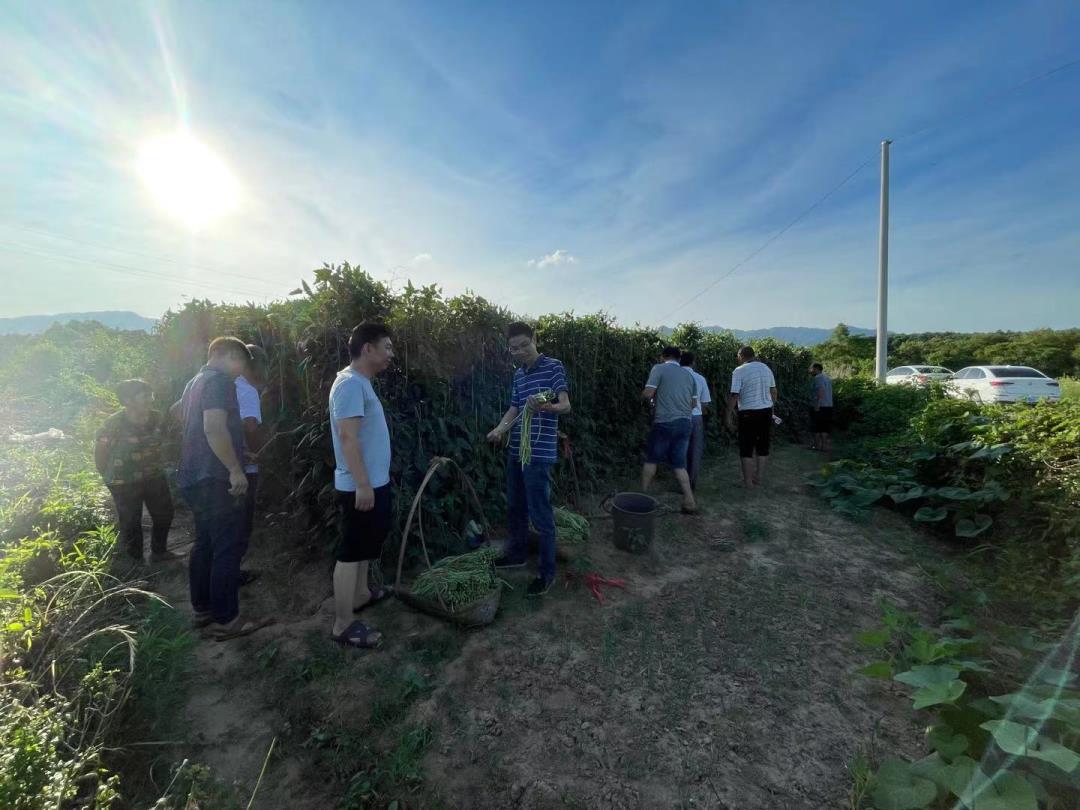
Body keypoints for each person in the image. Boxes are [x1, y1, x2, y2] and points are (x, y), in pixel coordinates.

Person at [177, 336, 265, 640]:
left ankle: (203, 608)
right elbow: (213, 427)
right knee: (228, 545)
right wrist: (234, 468)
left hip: (193, 475)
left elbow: (185, 419)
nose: (241, 371)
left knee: (205, 543)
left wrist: (235, 450)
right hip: (215, 478)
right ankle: (227, 619)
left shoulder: (195, 382)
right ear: (228, 357)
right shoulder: (220, 382)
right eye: (240, 363)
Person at [486, 322, 571, 598]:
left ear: (535, 339)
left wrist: (546, 406)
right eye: (514, 348)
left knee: (540, 512)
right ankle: (518, 554)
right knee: (515, 505)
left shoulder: (553, 366)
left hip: (539, 453)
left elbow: (565, 405)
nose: (520, 351)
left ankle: (547, 572)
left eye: (525, 345)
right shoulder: (519, 376)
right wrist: (500, 429)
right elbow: (514, 408)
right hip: (517, 451)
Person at [329, 322, 396, 648]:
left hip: (371, 482)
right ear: (367, 348)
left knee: (365, 543)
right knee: (351, 551)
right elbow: (347, 438)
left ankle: (361, 594)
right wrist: (363, 485)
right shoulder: (350, 385)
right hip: (360, 485)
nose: (390, 355)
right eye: (387, 347)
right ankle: (343, 624)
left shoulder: (360, 384)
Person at [94, 379, 178, 563]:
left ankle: (159, 551)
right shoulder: (114, 424)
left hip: (154, 475)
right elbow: (100, 453)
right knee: (131, 522)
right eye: (144, 395)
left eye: (150, 395)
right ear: (127, 400)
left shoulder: (157, 418)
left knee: (164, 513)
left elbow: (168, 441)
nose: (149, 399)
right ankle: (136, 563)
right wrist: (108, 477)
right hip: (122, 481)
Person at [641, 347, 698, 513]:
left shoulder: (659, 368)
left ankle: (642, 497)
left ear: (662, 357)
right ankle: (689, 501)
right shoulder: (689, 375)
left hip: (664, 422)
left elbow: (648, 393)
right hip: (685, 423)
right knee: (679, 464)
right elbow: (693, 404)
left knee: (652, 460)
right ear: (679, 359)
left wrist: (647, 398)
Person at [235, 344, 268, 586]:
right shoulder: (246, 391)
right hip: (245, 468)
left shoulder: (226, 385)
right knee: (241, 522)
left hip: (224, 466)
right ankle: (232, 573)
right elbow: (250, 425)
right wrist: (254, 452)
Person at [726, 346, 777, 488]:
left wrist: (728, 414)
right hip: (766, 411)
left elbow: (735, 395)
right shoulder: (766, 369)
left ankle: (748, 482)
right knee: (763, 446)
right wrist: (771, 406)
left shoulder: (739, 371)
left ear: (741, 356)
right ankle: (759, 478)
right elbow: (773, 391)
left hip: (748, 413)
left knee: (746, 447)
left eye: (738, 356)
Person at [679, 352, 712, 490]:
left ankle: (681, 482)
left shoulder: (673, 377)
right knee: (695, 450)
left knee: (680, 450)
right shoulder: (700, 378)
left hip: (677, 416)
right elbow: (705, 403)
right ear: (693, 362)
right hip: (696, 416)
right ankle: (691, 483)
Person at [809, 362, 833, 453]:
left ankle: (817, 446)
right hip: (828, 406)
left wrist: (817, 405)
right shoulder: (827, 378)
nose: (810, 371)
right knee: (825, 426)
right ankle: (824, 447)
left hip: (819, 406)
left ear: (816, 369)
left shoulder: (818, 378)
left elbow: (821, 391)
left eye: (811, 369)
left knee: (816, 427)